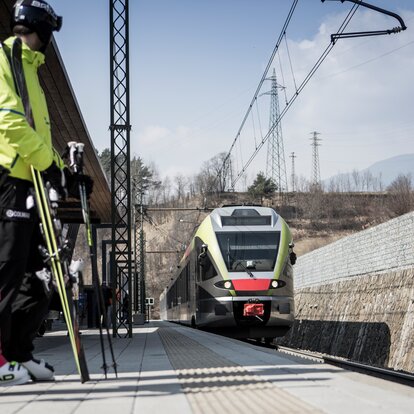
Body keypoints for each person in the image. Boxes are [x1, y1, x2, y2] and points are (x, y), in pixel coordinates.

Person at [0, 0, 91, 386]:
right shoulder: (5, 58)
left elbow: (35, 132)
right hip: (7, 179)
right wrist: (50, 166)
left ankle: (19, 353)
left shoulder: (31, 69)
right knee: (6, 271)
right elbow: (9, 124)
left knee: (36, 275)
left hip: (28, 180)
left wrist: (64, 175)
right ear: (45, 31)